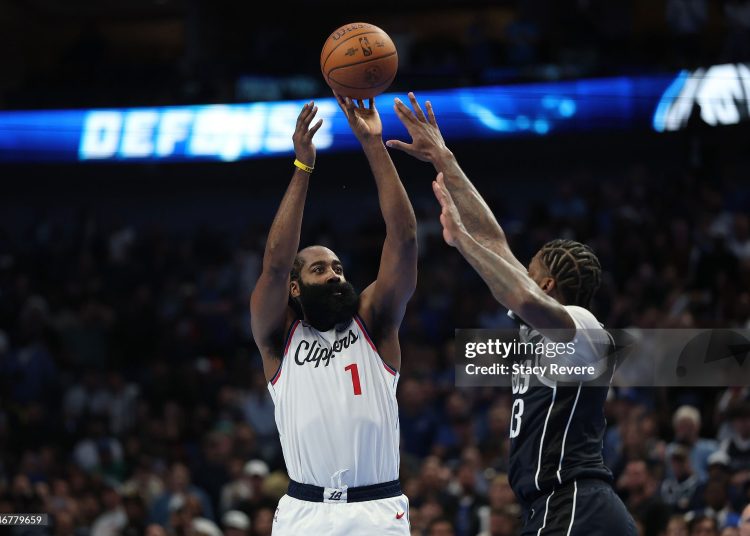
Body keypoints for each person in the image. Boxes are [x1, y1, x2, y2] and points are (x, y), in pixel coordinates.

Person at [388, 92, 637, 535]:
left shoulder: (582, 327)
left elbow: (516, 290)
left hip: (575, 503)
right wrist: (444, 160)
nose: (519, 269)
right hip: (556, 506)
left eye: (530, 270)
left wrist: (460, 241)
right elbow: (495, 242)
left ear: (545, 286)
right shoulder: (540, 326)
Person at [250, 96, 417, 535]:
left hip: (376, 508)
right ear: (295, 286)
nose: (333, 275)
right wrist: (303, 168)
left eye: (339, 268)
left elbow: (403, 237)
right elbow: (273, 262)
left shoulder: (374, 321)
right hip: (304, 511)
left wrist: (374, 145)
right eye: (319, 269)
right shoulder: (278, 337)